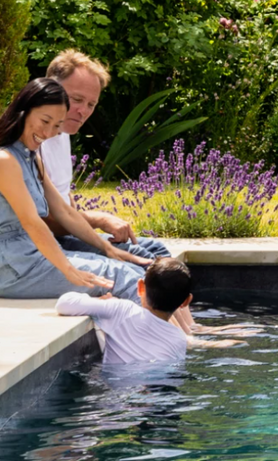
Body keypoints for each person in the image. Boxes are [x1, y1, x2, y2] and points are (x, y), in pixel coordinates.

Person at [0, 78, 150, 300]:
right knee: (123, 277)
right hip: (12, 268)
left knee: (133, 267)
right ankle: (177, 335)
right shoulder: (5, 160)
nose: (49, 132)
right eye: (45, 120)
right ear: (23, 111)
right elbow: (32, 223)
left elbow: (64, 211)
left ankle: (186, 332)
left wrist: (106, 248)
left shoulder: (31, 157)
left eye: (57, 126)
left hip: (29, 256)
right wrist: (68, 269)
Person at [39, 50, 170, 260]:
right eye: (77, 99)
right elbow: (45, 219)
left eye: (91, 104)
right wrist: (98, 220)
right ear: (50, 90)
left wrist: (86, 224)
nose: (83, 111)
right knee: (140, 259)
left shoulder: (62, 132)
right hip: (44, 243)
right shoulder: (33, 140)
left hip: (66, 234)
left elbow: (63, 192)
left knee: (157, 249)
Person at [55, 258, 193, 364]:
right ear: (186, 301)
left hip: (117, 396)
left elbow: (64, 303)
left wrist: (103, 303)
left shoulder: (122, 310)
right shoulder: (179, 339)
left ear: (140, 287)